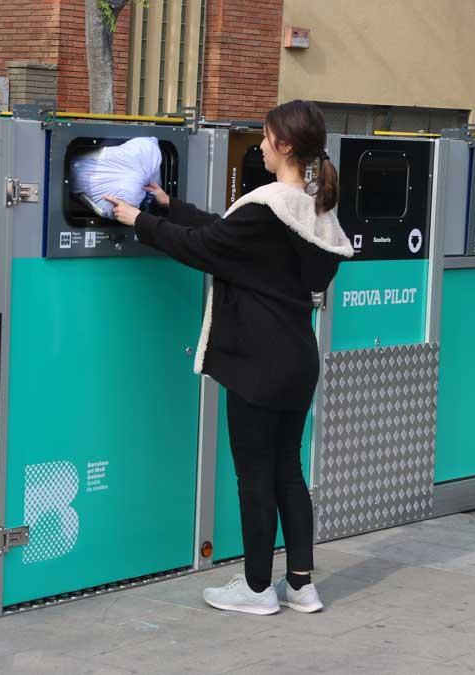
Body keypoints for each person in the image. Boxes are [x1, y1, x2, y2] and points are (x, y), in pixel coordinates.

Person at [104, 100, 354, 616]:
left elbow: (206, 249)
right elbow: (225, 234)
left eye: (264, 137)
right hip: (297, 360)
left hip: (256, 363)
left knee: (254, 476)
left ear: (284, 145)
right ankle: (301, 585)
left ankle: (258, 588)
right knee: (288, 469)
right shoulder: (312, 209)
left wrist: (137, 221)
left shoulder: (266, 206)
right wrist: (171, 206)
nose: (259, 145)